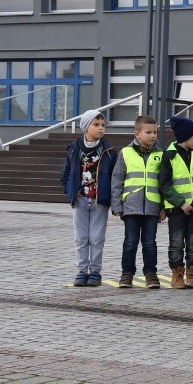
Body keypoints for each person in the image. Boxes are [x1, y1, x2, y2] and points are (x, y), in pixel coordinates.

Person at [61, 109, 118, 287]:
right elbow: (66, 173)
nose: (101, 128)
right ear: (86, 127)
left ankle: (95, 272)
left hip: (99, 202)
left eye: (103, 125)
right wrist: (70, 190)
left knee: (96, 238)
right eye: (96, 124)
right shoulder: (74, 148)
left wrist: (111, 199)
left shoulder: (109, 151)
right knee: (81, 238)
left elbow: (114, 177)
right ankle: (81, 271)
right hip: (80, 200)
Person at [110, 115, 164, 289]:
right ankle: (127, 274)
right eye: (148, 132)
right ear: (137, 133)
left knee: (150, 242)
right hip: (131, 206)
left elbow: (164, 183)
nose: (153, 135)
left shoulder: (160, 154)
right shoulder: (125, 153)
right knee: (130, 242)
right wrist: (117, 205)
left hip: (152, 206)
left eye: (155, 132)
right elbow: (117, 180)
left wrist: (163, 207)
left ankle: (151, 274)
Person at [159, 115, 193, 289]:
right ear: (185, 137)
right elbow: (165, 184)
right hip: (177, 209)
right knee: (176, 242)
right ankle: (177, 274)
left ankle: (192, 274)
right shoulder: (169, 156)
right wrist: (180, 202)